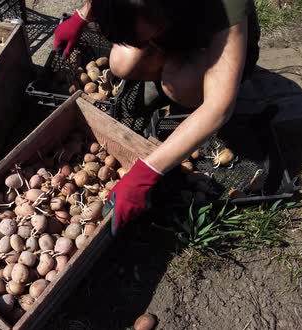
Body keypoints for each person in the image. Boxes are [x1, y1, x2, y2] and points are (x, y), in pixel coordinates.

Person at [54, 0, 261, 235]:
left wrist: (147, 172)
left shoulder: (226, 5)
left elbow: (219, 106)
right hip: (173, 26)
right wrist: (82, 16)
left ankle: (182, 78)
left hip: (216, 42)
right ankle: (169, 67)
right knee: (121, 62)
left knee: (179, 84)